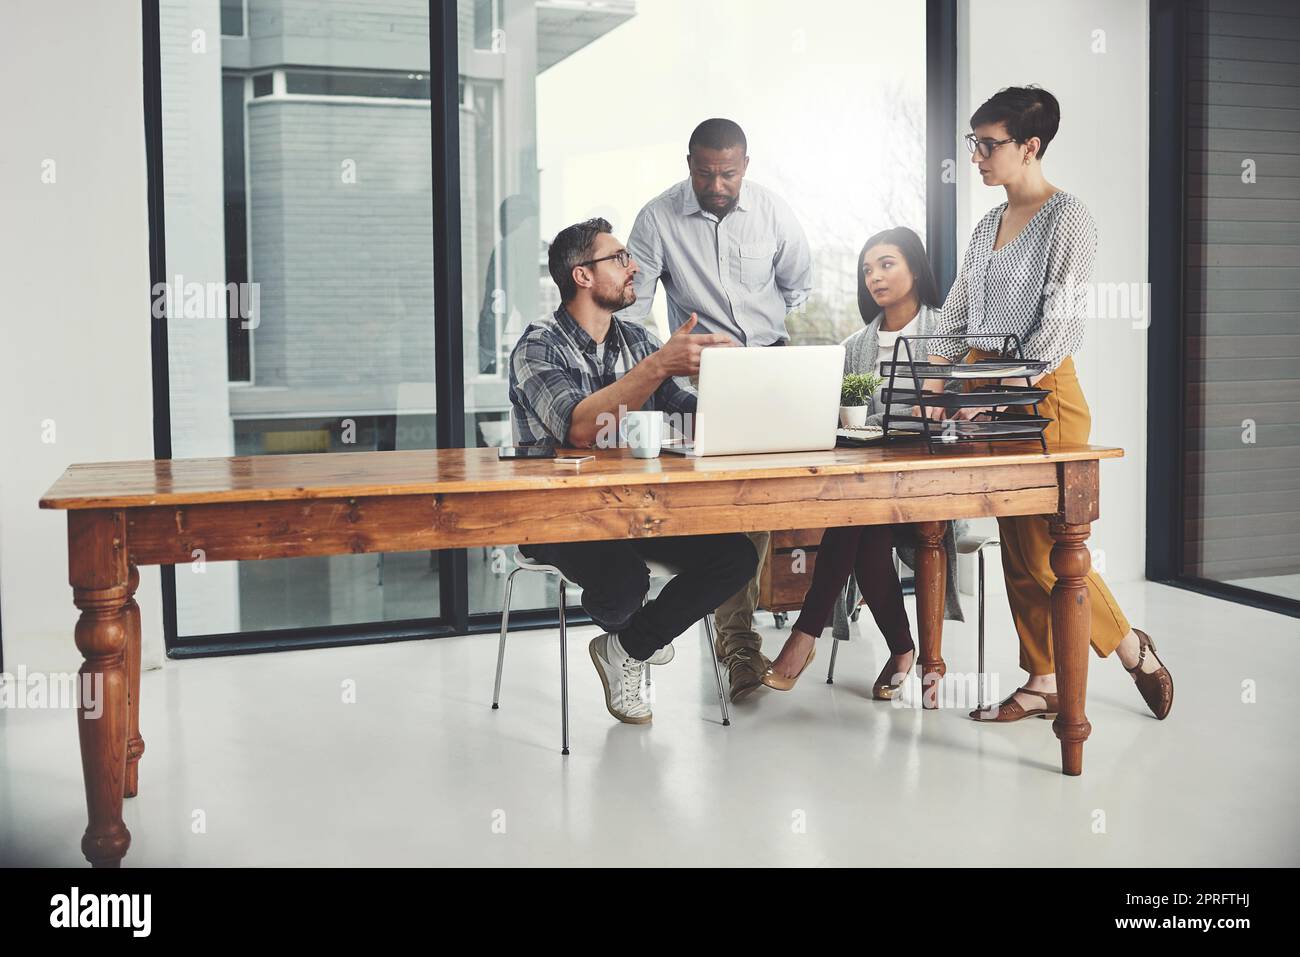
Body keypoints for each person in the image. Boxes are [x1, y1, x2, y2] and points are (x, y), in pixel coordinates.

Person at [925, 85, 1172, 722]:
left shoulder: (1070, 220)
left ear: (1030, 146)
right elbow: (957, 315)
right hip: (988, 394)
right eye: (973, 143)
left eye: (988, 144)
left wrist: (990, 394)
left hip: (1043, 397)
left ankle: (1130, 646)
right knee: (1015, 545)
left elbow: (1053, 335)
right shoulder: (986, 226)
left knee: (1049, 551)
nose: (976, 156)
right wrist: (937, 377)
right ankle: (1042, 680)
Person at [507, 217, 757, 725]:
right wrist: (660, 366)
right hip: (559, 516)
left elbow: (683, 412)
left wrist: (740, 398)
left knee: (734, 555)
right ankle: (642, 634)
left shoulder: (638, 342)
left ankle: (627, 647)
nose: (634, 266)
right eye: (619, 258)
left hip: (636, 512)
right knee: (625, 582)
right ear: (582, 275)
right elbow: (579, 428)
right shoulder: (538, 346)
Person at [618, 118, 814, 703]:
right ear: (689, 163)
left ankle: (758, 637)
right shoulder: (656, 219)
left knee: (789, 497)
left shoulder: (774, 213)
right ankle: (738, 649)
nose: (717, 184)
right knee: (736, 505)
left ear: (745, 166)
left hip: (772, 370)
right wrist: (672, 358)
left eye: (728, 173)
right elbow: (632, 313)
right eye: (705, 173)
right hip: (702, 381)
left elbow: (798, 288)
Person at [763, 227, 966, 695]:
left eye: (887, 264)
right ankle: (894, 648)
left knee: (855, 520)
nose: (875, 276)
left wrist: (931, 412)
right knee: (862, 522)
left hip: (928, 486)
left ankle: (806, 635)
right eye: (867, 268)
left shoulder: (946, 333)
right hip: (871, 485)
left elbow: (957, 404)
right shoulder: (855, 345)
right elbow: (847, 415)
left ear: (915, 268)